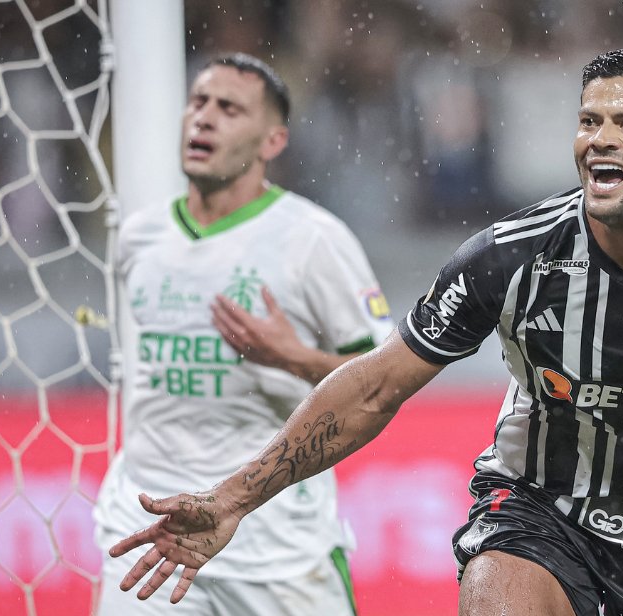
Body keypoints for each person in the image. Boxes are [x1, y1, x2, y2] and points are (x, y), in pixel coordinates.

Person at [107, 48, 623, 616]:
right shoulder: (511, 256)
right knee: (500, 585)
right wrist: (232, 499)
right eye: (589, 122)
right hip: (540, 514)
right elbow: (374, 387)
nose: (600, 141)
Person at [93, 52, 393, 615]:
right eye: (198, 102)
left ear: (272, 141)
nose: (204, 118)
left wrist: (291, 357)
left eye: (229, 109)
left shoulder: (313, 239)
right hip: (149, 531)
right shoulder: (140, 237)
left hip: (278, 546)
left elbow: (385, 379)